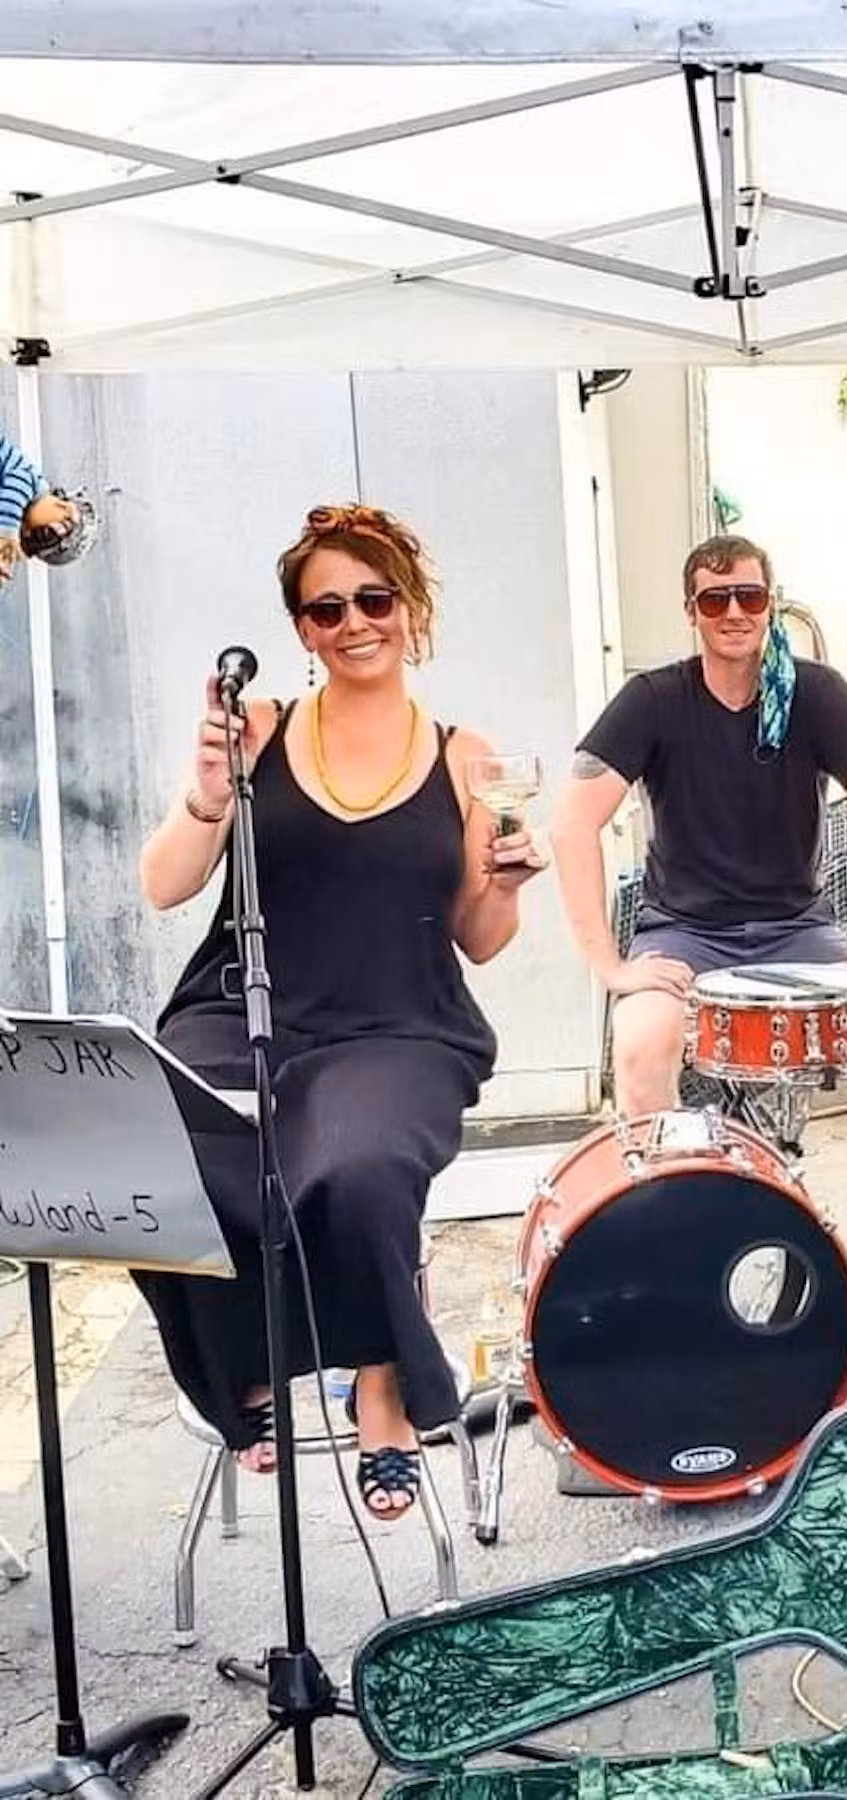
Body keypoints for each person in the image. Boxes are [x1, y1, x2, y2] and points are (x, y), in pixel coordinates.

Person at [135, 502, 545, 1519]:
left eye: (374, 598)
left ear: (411, 608)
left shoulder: (462, 755)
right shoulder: (257, 732)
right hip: (246, 1006)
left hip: (398, 1023)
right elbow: (161, 884)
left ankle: (380, 1385)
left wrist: (507, 881)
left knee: (354, 1167)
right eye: (325, 609)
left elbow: (479, 937)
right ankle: (255, 1368)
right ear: (300, 628)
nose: (354, 622)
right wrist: (205, 797)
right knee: (161, 1138)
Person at [551, 533, 847, 1351]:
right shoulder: (654, 699)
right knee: (639, 1045)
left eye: (749, 596)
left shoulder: (811, 693)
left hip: (798, 930)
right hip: (686, 930)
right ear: (692, 614)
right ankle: (680, 1274)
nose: (735, 613)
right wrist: (609, 965)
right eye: (716, 600)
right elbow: (572, 823)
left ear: (770, 602)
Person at [0, 431, 99, 582]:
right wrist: (7, 534)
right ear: (61, 505)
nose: (24, 531)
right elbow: (15, 492)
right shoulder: (32, 483)